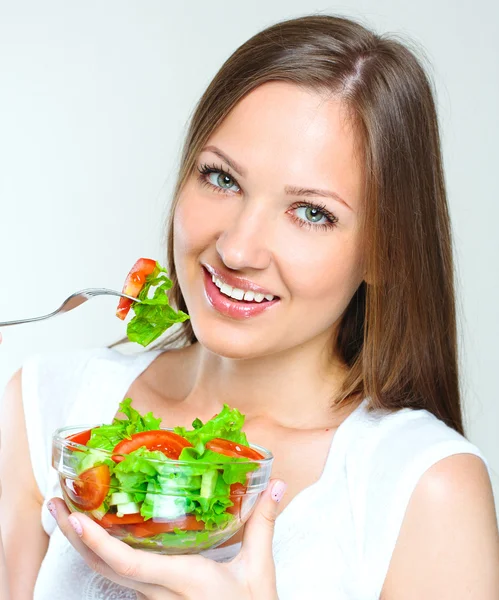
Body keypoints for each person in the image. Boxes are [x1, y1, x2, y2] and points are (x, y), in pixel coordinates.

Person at [1, 13, 498, 600]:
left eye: (312, 212)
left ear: (384, 254)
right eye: (222, 178)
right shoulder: (47, 410)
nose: (237, 249)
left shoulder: (424, 488)